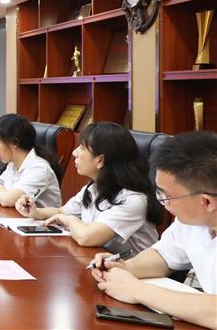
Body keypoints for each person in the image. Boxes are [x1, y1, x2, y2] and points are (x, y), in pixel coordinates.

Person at [90, 131, 217, 328]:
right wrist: (125, 267)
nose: (162, 203)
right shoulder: (191, 221)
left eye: (167, 196)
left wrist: (137, 290)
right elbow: (163, 256)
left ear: (206, 202)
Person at [17, 122, 161, 255]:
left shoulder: (133, 200)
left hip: (133, 271)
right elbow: (61, 212)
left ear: (100, 160)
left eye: (82, 147)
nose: (74, 153)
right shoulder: (94, 187)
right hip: (101, 263)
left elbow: (87, 237)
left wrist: (70, 220)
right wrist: (34, 211)